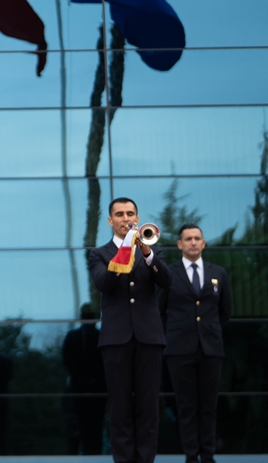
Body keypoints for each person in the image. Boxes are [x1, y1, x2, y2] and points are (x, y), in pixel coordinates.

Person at [87, 197, 171, 463]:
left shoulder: (153, 251)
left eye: (130, 213)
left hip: (148, 338)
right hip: (116, 340)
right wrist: (125, 249)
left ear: (137, 217)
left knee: (148, 407)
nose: (126, 219)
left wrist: (145, 252)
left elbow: (166, 280)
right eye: (120, 214)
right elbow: (104, 283)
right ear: (110, 221)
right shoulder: (99, 254)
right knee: (120, 407)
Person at [159, 224, 232, 463]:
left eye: (197, 238)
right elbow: (160, 311)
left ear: (204, 243)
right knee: (186, 405)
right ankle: (191, 456)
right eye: (188, 239)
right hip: (179, 350)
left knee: (209, 405)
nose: (193, 242)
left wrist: (208, 331)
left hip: (210, 349)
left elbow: (225, 311)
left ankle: (208, 456)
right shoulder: (169, 274)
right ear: (179, 244)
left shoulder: (218, 273)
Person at [63, 303, 107, 456]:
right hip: (98, 388)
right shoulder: (102, 336)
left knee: (81, 425)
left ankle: (86, 453)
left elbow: (66, 361)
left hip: (79, 387)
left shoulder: (72, 337)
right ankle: (95, 453)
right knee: (96, 425)